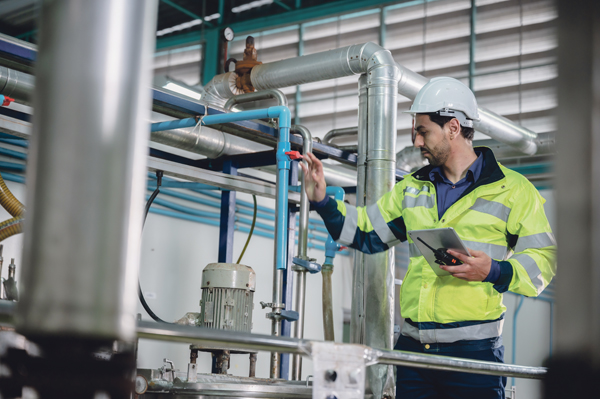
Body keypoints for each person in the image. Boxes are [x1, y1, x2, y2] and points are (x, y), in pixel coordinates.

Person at [300, 77, 556, 399]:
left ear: (452, 127)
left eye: (423, 131)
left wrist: (494, 271)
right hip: (412, 351)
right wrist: (323, 201)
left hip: (473, 355)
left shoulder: (514, 190)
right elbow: (365, 232)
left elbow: (543, 260)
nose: (418, 142)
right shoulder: (411, 188)